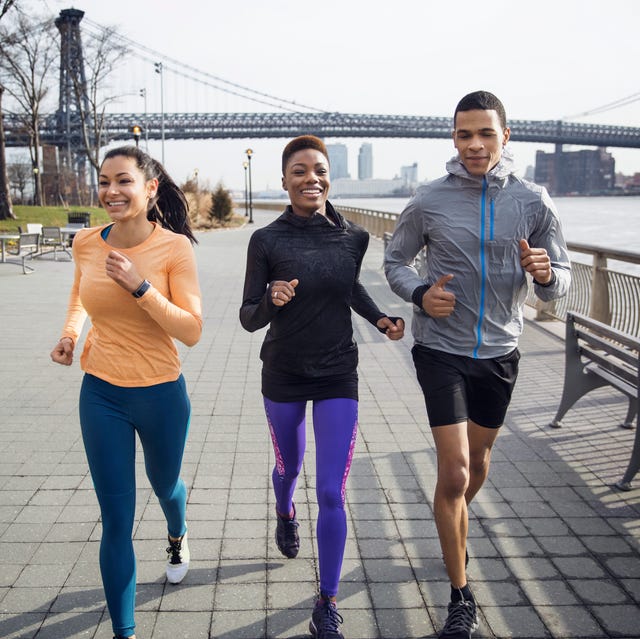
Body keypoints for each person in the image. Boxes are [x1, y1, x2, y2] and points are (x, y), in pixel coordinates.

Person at [384, 91, 571, 639]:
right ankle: (460, 596)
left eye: (485, 133)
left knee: (480, 461)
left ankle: (450, 519)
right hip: (439, 348)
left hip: (500, 353)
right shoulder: (428, 200)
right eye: (464, 134)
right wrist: (420, 294)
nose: (475, 145)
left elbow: (561, 280)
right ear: (453, 138)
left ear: (505, 136)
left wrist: (543, 273)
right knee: (456, 470)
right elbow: (395, 261)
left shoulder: (534, 202)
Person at [240, 135, 405, 639]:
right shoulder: (266, 241)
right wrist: (272, 299)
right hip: (285, 372)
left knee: (332, 491)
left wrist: (380, 319)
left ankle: (327, 603)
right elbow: (249, 318)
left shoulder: (354, 237)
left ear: (329, 176)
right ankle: (284, 511)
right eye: (299, 171)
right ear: (285, 180)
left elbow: (349, 287)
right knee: (289, 466)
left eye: (319, 169)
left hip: (338, 372)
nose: (311, 178)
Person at [50, 146, 202, 639]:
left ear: (150, 188)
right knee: (116, 517)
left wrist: (141, 287)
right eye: (104, 181)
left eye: (123, 181)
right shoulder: (87, 242)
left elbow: (192, 330)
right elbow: (80, 295)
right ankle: (125, 631)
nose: (110, 192)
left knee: (165, 485)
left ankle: (177, 535)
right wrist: (71, 334)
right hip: (102, 393)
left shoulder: (174, 249)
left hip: (161, 393)